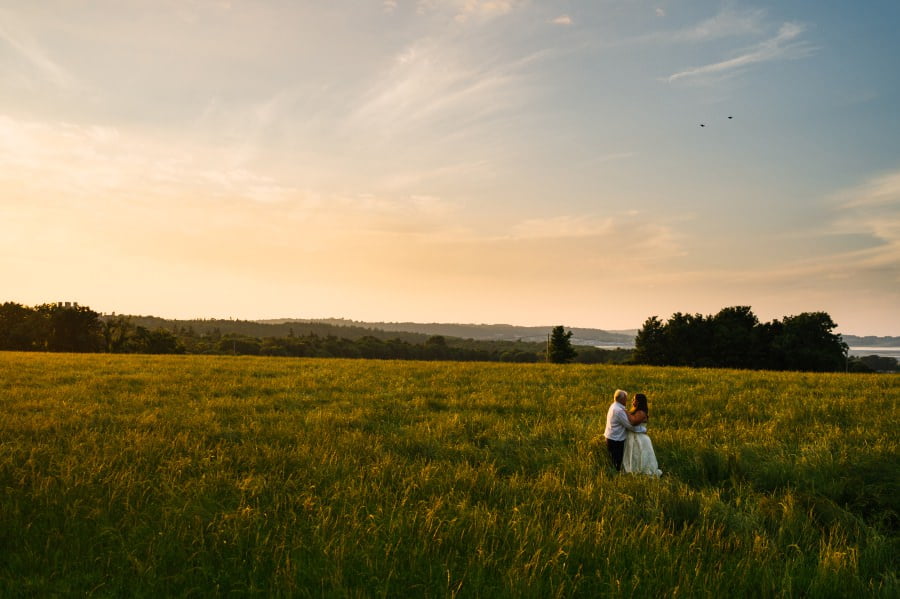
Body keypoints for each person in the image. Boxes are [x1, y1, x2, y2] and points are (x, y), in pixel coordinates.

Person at [622, 393, 662, 476]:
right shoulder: (635, 410)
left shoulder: (641, 413)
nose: (632, 401)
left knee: (639, 454)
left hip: (639, 438)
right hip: (632, 436)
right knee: (633, 455)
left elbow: (634, 422)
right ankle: (633, 471)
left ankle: (640, 471)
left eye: (634, 399)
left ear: (639, 402)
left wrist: (625, 412)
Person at [604, 389, 638, 471]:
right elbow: (629, 425)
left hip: (611, 437)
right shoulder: (619, 410)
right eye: (626, 398)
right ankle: (616, 476)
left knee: (614, 461)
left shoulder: (614, 406)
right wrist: (642, 429)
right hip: (616, 440)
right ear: (622, 399)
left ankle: (615, 474)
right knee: (617, 462)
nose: (627, 400)